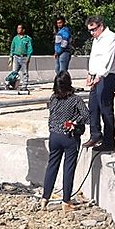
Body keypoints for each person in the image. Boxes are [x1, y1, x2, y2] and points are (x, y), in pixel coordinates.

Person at [39, 71, 89, 212]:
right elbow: (87, 117)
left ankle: (45, 198)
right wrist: (74, 122)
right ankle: (66, 201)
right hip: (69, 137)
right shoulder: (75, 100)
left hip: (54, 136)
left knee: (52, 167)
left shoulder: (53, 98)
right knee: (68, 169)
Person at [82, 16, 115, 151]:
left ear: (101, 26)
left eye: (94, 30)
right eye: (90, 31)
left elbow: (107, 61)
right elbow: (94, 58)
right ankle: (95, 135)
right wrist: (90, 74)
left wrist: (99, 76)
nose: (92, 33)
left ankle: (109, 141)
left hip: (107, 77)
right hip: (97, 76)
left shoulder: (111, 38)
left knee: (105, 109)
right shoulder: (96, 40)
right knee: (93, 107)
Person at [9, 24, 33, 90]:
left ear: (23, 30)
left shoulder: (27, 39)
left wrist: (28, 58)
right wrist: (11, 56)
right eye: (17, 28)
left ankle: (24, 86)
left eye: (20, 28)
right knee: (14, 72)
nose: (18, 30)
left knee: (24, 72)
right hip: (16, 57)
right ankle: (12, 85)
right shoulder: (15, 38)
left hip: (24, 57)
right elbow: (12, 47)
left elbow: (30, 49)